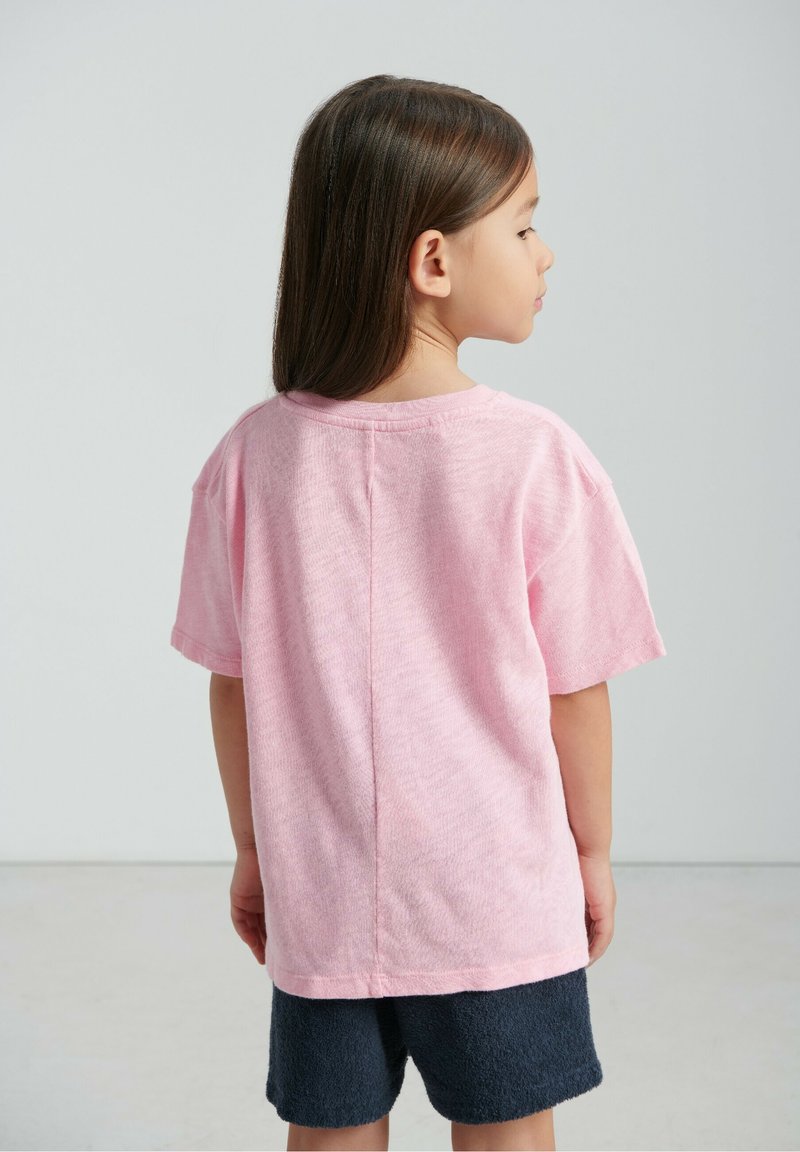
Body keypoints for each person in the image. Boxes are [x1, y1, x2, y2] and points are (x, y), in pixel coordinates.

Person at [170, 75, 667, 1152]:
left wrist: (255, 850)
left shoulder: (251, 458)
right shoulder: (535, 457)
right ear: (433, 260)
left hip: (322, 887)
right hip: (496, 894)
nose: (545, 253)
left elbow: (233, 685)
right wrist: (590, 852)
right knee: (506, 1134)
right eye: (524, 226)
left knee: (331, 1135)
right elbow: (573, 691)